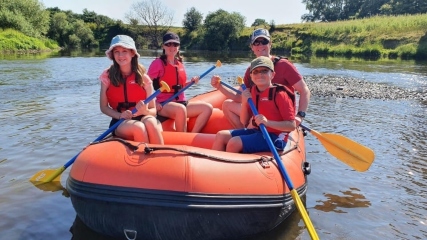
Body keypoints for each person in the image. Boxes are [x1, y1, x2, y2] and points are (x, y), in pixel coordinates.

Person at [210, 28, 310, 129]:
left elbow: (304, 90)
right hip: (260, 111)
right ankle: (244, 133)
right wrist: (219, 87)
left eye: (264, 41)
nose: (260, 45)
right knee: (227, 105)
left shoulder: (284, 65)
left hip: (280, 115)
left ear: (270, 44)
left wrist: (300, 115)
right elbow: (240, 97)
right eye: (256, 43)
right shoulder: (252, 70)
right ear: (252, 47)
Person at [212, 56, 296, 153]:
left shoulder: (280, 95)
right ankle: (215, 167)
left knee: (234, 143)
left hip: (275, 137)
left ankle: (228, 167)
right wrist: (244, 101)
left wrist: (268, 123)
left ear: (272, 74)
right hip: (259, 131)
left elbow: (291, 125)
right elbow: (244, 121)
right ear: (251, 76)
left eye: (264, 71)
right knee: (220, 135)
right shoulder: (252, 92)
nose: (260, 74)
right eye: (255, 72)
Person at [99, 35, 164, 144]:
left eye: (124, 51)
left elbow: (153, 110)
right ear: (112, 54)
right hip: (120, 120)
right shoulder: (107, 76)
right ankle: (145, 157)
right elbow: (103, 107)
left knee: (152, 124)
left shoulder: (144, 78)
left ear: (132, 53)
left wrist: (145, 111)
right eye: (116, 52)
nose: (120, 55)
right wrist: (120, 115)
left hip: (143, 116)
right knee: (138, 127)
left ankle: (160, 157)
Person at [148, 32, 213, 133]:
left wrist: (191, 82)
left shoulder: (179, 64)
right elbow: (144, 86)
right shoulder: (157, 63)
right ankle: (183, 138)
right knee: (180, 109)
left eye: (175, 44)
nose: (172, 47)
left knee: (207, 108)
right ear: (163, 46)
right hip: (164, 104)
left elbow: (180, 87)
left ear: (178, 47)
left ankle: (192, 136)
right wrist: (154, 103)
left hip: (181, 102)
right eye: (168, 44)